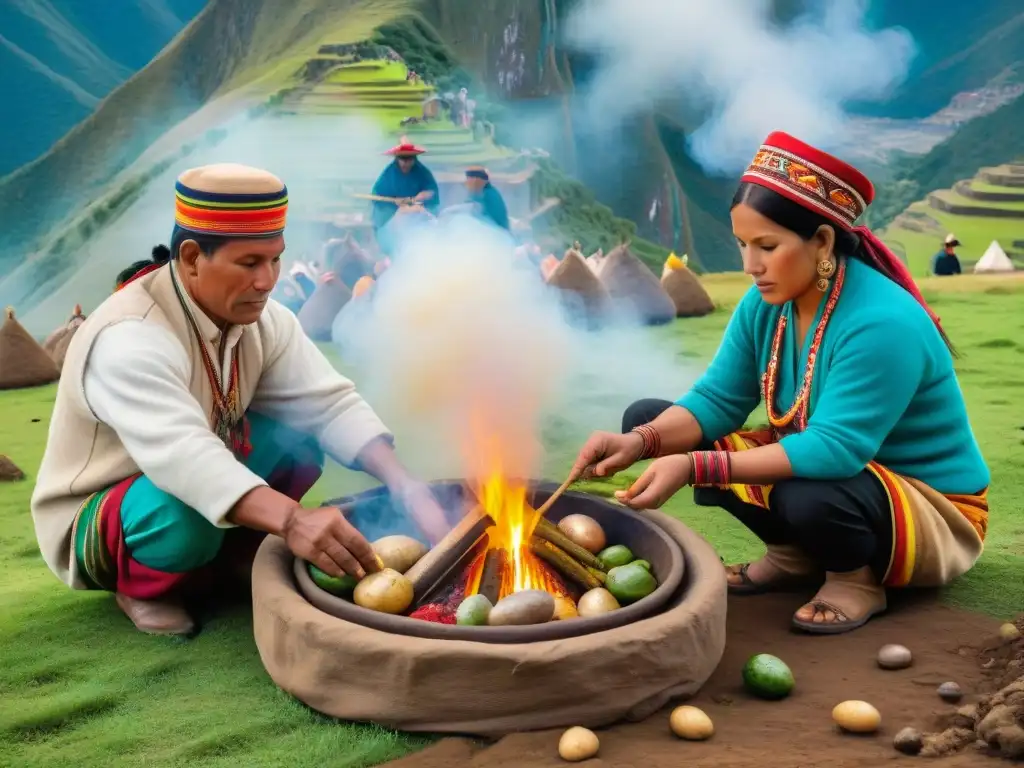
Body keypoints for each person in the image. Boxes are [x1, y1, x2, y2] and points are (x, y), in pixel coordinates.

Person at [571, 132, 990, 636]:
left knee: (806, 494)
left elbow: (835, 451)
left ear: (822, 242)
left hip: (930, 510)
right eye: (743, 244)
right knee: (649, 416)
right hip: (839, 474)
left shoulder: (883, 323)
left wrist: (695, 466)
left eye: (767, 246)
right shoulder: (768, 304)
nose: (751, 265)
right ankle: (794, 558)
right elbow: (718, 400)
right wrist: (638, 442)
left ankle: (854, 580)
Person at [31, 163, 451, 637]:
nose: (268, 280)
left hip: (200, 476)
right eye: (250, 263)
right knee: (183, 513)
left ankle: (232, 554)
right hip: (108, 513)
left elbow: (327, 403)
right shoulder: (128, 338)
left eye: (275, 260)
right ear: (191, 257)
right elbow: (186, 458)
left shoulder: (264, 319)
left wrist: (406, 484)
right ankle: (142, 587)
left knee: (298, 436)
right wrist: (293, 521)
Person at [370, 138, 440, 253]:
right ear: (397, 159)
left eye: (409, 159)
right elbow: (378, 196)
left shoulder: (422, 172)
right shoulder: (388, 175)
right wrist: (395, 202)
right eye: (402, 159)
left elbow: (431, 192)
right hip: (394, 213)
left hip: (418, 213)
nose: (405, 163)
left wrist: (414, 199)